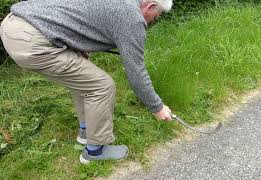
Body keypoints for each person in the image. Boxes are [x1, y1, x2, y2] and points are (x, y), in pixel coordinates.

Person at [0, 0, 173, 164]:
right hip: (30, 40)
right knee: (101, 86)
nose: (152, 22)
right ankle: (95, 151)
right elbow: (136, 71)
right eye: (155, 17)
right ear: (149, 6)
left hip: (15, 22)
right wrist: (157, 107)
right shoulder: (132, 17)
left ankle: (86, 131)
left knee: (85, 78)